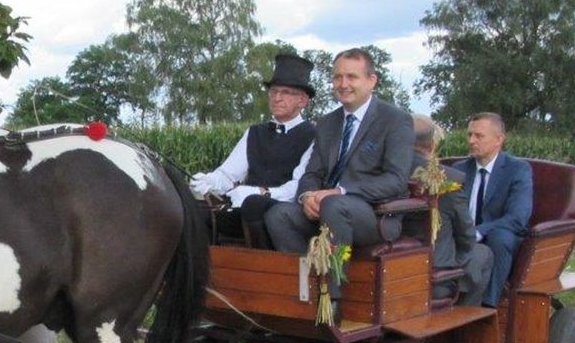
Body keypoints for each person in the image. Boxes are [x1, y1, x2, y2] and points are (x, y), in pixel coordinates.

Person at [265, 48, 414, 273]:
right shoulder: (327, 123)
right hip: (326, 208)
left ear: (371, 80)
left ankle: (332, 297)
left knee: (334, 205)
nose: (343, 84)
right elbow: (312, 172)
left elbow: (396, 180)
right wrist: (307, 197)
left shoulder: (394, 120)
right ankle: (307, 285)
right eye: (337, 77)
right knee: (278, 214)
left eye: (351, 77)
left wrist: (340, 192)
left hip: (375, 214)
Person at [189, 53, 317, 247]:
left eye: (285, 92)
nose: (277, 98)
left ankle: (263, 266)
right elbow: (228, 174)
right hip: (246, 211)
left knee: (254, 204)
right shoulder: (254, 133)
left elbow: (299, 187)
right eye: (273, 91)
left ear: (303, 101)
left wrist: (261, 193)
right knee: (197, 212)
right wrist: (207, 180)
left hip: (285, 213)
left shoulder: (314, 136)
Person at [406, 115, 493, 306]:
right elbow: (467, 236)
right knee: (484, 254)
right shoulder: (448, 179)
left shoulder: (379, 173)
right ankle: (463, 326)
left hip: (390, 273)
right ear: (432, 145)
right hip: (433, 280)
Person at [454, 112, 533, 307]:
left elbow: (517, 218)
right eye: (469, 135)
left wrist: (480, 231)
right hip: (464, 233)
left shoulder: (518, 169)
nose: (471, 141)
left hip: (498, 236)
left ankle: (489, 303)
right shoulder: (459, 169)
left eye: (479, 136)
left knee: (500, 237)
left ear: (499, 140)